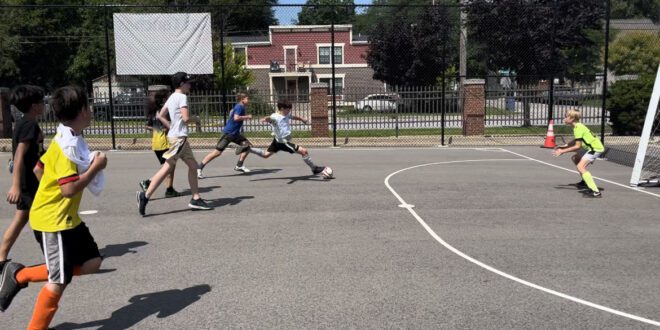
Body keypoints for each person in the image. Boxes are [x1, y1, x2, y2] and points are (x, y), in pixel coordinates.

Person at [0, 86, 107, 330]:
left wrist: (49, 195)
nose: (91, 111)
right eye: (88, 107)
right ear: (81, 111)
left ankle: (20, 275)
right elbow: (69, 189)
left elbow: (39, 169)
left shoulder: (67, 137)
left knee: (93, 262)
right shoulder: (66, 148)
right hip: (53, 222)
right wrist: (96, 167)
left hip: (66, 219)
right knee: (58, 280)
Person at [136, 72, 213, 216]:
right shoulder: (182, 97)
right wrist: (195, 119)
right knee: (167, 168)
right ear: (182, 84)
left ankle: (196, 198)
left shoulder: (172, 97)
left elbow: (160, 114)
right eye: (188, 83)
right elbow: (185, 118)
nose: (190, 85)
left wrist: (171, 126)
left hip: (178, 137)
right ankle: (145, 196)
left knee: (193, 166)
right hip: (179, 139)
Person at [1, 85, 45, 270]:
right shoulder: (29, 124)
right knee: (29, 217)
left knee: (27, 217)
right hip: (28, 182)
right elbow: (19, 155)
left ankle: (2, 257)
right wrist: (16, 186)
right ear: (35, 106)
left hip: (29, 180)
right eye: (42, 102)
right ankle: (2, 256)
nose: (45, 105)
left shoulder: (23, 122)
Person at [247, 100, 326, 175]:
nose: (289, 111)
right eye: (287, 109)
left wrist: (302, 119)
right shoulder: (275, 117)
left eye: (289, 109)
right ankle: (314, 169)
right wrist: (266, 119)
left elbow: (293, 117)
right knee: (304, 151)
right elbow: (270, 118)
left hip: (277, 140)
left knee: (265, 155)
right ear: (281, 108)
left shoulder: (286, 114)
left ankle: (248, 149)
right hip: (283, 142)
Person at [197, 93, 253, 178]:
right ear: (242, 99)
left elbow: (232, 114)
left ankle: (239, 165)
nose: (248, 100)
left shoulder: (239, 106)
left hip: (235, 134)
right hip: (228, 133)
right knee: (217, 153)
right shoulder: (239, 107)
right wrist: (247, 117)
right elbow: (236, 118)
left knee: (248, 145)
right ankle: (199, 168)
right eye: (247, 98)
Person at [553, 109, 605, 198]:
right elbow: (577, 140)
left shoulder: (578, 128)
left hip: (595, 148)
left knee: (580, 167)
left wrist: (562, 151)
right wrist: (565, 146)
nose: (564, 118)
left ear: (572, 118)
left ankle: (596, 192)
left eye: (566, 116)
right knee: (575, 158)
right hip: (590, 148)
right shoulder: (577, 126)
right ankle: (585, 181)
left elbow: (577, 146)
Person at [138, 89, 180, 198]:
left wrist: (157, 129)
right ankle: (148, 182)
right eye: (168, 97)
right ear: (164, 99)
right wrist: (164, 129)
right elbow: (168, 126)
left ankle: (169, 189)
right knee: (168, 166)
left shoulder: (153, 111)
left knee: (170, 166)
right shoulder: (164, 111)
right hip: (164, 143)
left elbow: (147, 126)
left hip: (156, 143)